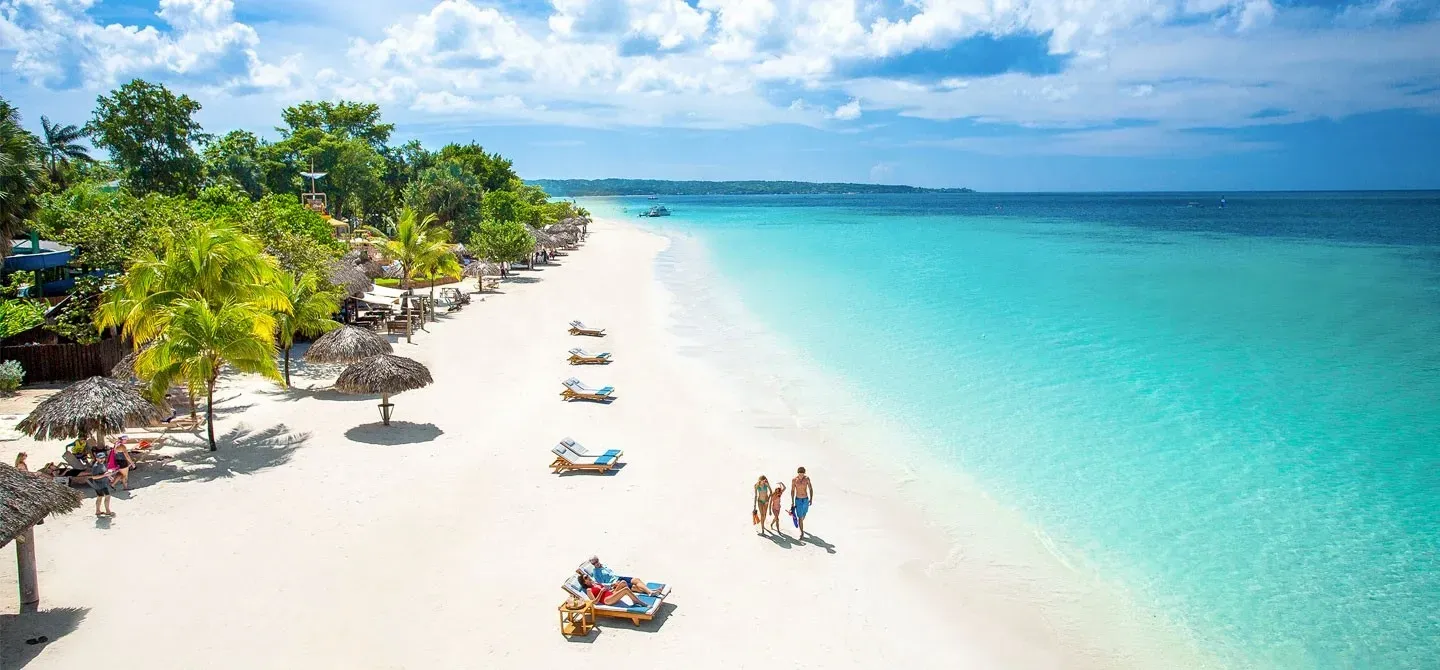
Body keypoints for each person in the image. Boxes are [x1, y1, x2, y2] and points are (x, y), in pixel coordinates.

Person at [587, 556, 655, 595]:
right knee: (634, 587)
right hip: (615, 583)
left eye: (597, 561)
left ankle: (650, 591)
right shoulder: (596, 572)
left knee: (636, 580)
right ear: (592, 564)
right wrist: (612, 584)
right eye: (594, 563)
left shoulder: (602, 565)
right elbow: (601, 584)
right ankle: (650, 592)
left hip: (618, 577)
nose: (596, 563)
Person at [578, 573, 643, 607]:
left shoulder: (595, 583)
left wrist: (613, 586)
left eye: (587, 576)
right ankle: (639, 602)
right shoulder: (589, 590)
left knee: (623, 582)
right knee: (625, 589)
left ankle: (633, 600)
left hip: (611, 594)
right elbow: (595, 602)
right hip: (607, 600)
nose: (588, 577)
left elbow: (606, 589)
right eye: (586, 578)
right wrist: (601, 592)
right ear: (584, 582)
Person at [791, 466, 814, 543]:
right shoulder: (794, 480)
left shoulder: (807, 479)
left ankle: (800, 522)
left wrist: (811, 499)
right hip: (798, 500)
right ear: (798, 473)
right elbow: (792, 491)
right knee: (800, 517)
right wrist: (792, 501)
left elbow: (810, 488)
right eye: (800, 474)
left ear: (804, 473)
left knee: (804, 514)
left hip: (805, 499)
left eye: (802, 474)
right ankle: (801, 533)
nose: (801, 475)